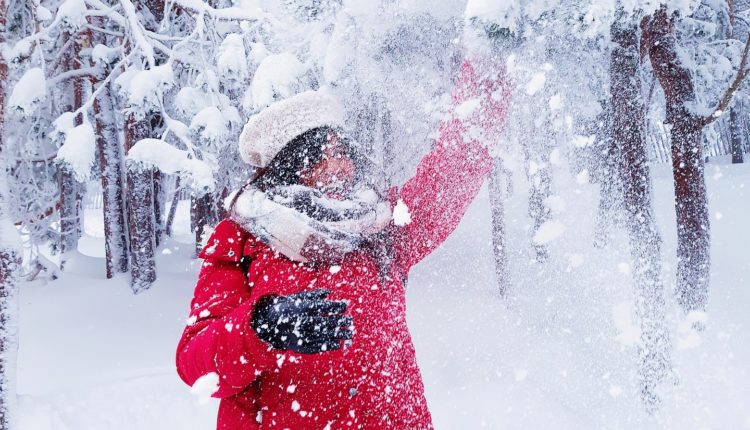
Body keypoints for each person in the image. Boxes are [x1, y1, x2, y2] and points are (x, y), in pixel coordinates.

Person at [176, 58, 510, 429]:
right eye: (317, 158)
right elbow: (194, 365)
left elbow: (451, 173)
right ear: (286, 168)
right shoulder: (243, 240)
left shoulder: (379, 229)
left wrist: (488, 64)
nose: (337, 168)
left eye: (341, 154)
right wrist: (259, 328)